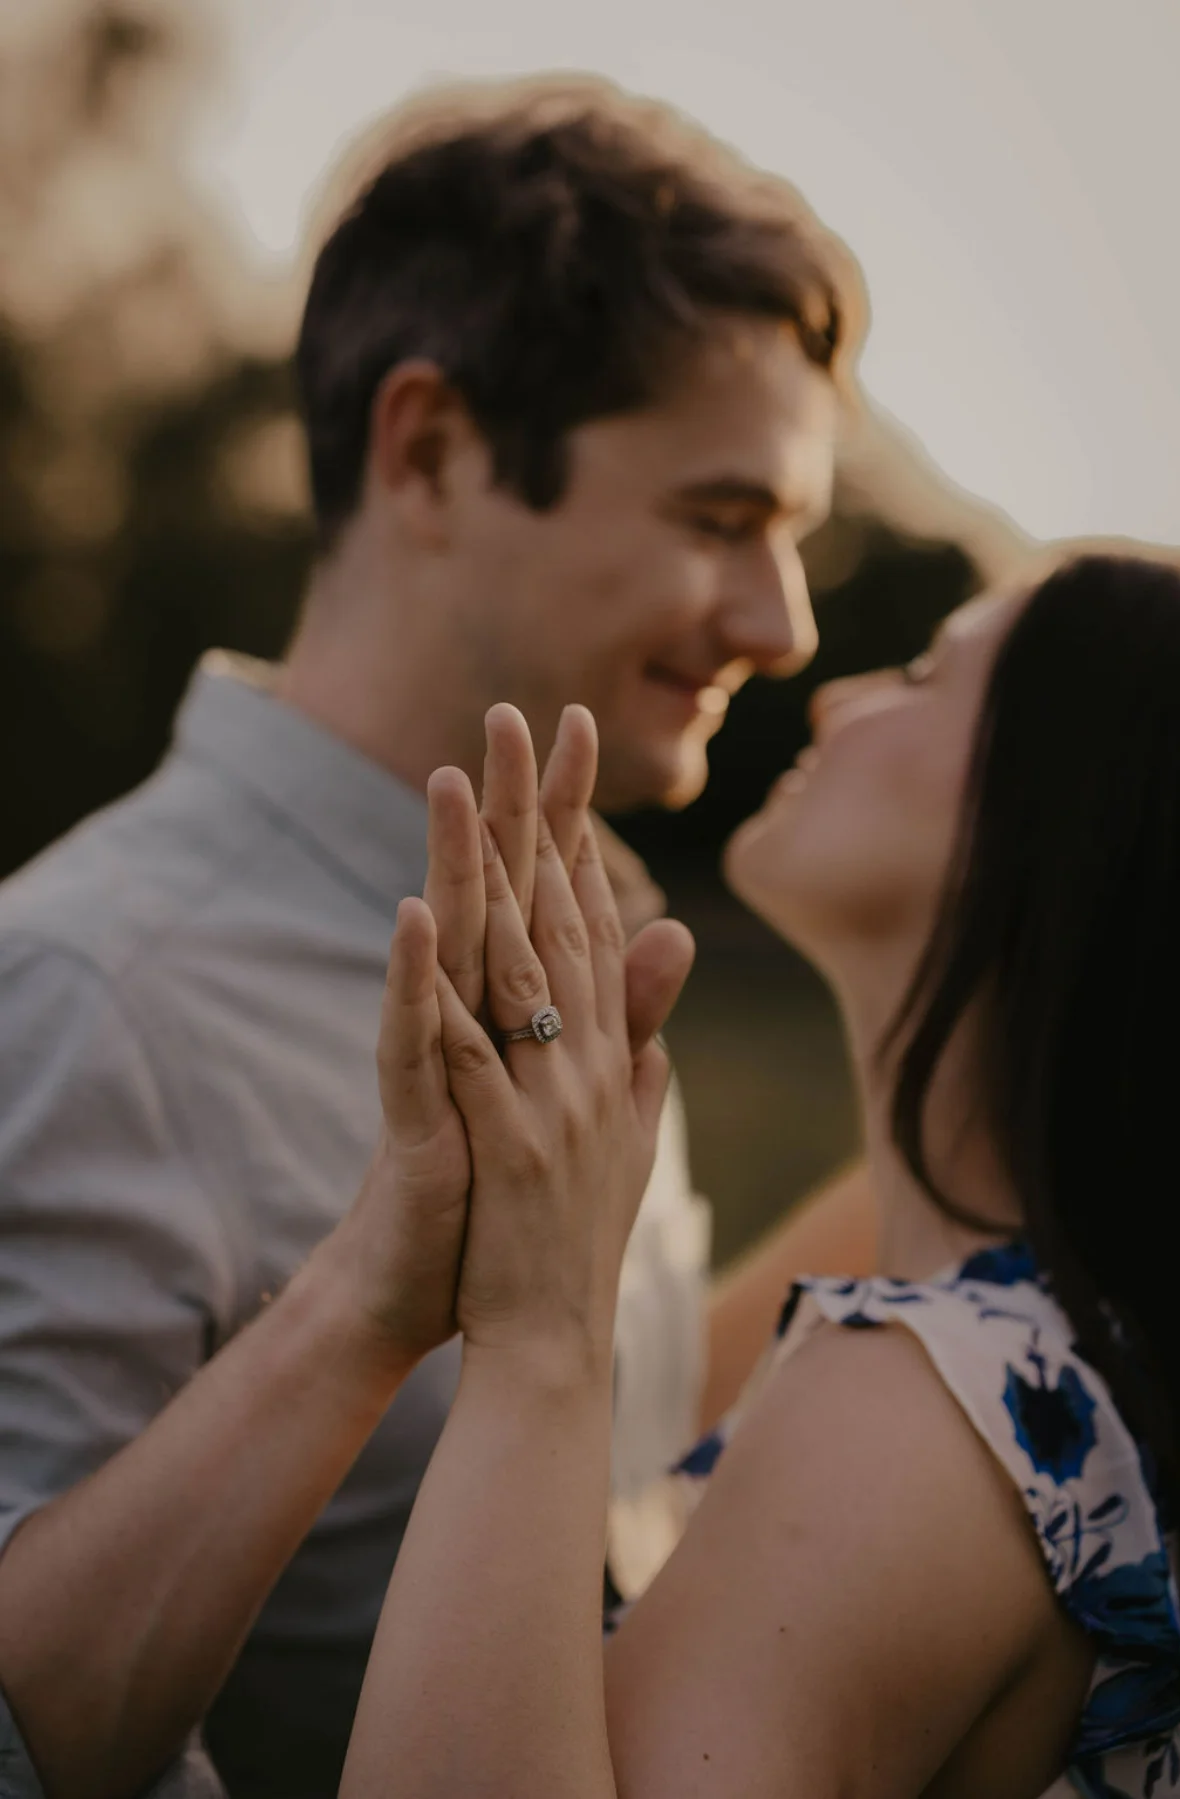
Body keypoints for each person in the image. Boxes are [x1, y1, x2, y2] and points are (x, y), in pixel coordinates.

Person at [0, 75, 872, 1798]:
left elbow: (617, 1478)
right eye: (723, 520)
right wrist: (360, 1309)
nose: (785, 624)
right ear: (433, 450)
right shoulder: (93, 987)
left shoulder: (598, 932)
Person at [326, 549, 1180, 1799]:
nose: (840, 694)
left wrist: (543, 1325)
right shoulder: (1060, 1341)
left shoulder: (927, 1397)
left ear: (1070, 802)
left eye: (924, 671)